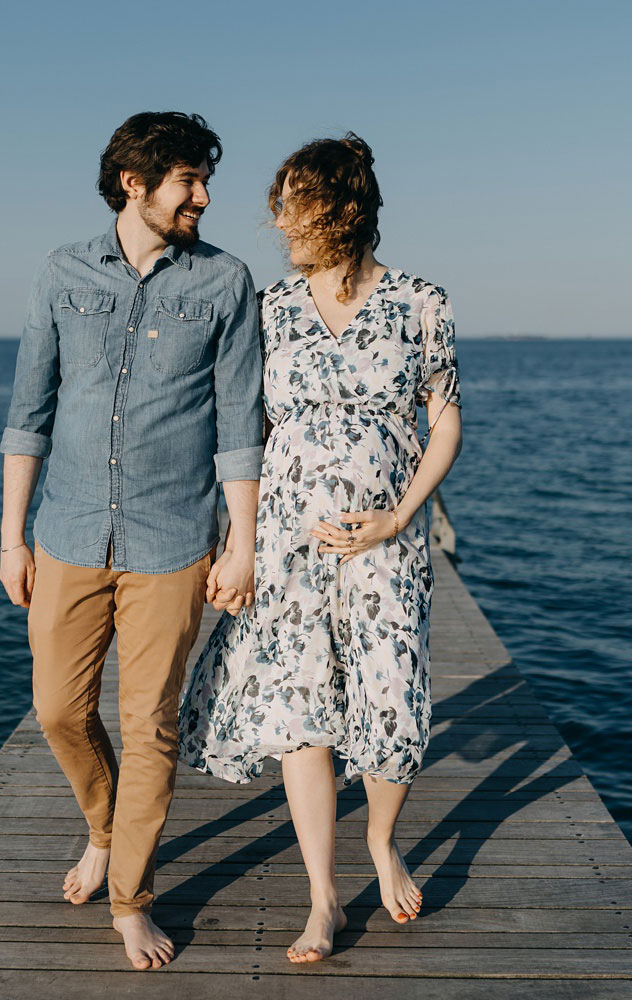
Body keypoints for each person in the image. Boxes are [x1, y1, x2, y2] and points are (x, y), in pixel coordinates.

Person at [178, 133, 463, 964]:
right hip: (288, 544)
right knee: (302, 713)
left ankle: (381, 840)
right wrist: (234, 540)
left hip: (385, 543)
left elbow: (443, 420)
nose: (279, 224)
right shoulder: (270, 308)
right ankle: (323, 898)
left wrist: (398, 517)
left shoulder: (420, 302)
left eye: (293, 207)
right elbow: (245, 431)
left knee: (392, 701)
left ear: (339, 210)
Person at [0, 111, 263, 971]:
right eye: (187, 180)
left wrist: (242, 544)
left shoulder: (225, 282)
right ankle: (103, 830)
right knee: (58, 711)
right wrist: (12, 539)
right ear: (134, 184)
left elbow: (238, 425)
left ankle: (130, 900)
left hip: (174, 539)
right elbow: (27, 415)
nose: (204, 195)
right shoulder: (60, 272)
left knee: (148, 725)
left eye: (202, 178)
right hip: (67, 531)